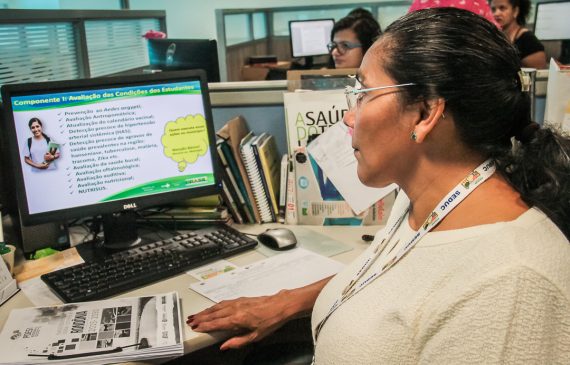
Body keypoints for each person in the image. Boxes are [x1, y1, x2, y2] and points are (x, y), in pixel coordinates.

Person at [188, 8, 570, 363]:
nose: (349, 117)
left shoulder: (510, 285)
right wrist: (287, 301)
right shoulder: (426, 196)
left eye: (364, 93)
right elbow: (392, 273)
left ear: (424, 113)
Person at [491, 0, 547, 69]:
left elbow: (539, 75)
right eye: (493, 9)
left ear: (515, 11)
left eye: (502, 8)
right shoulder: (494, 37)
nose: (496, 13)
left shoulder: (528, 40)